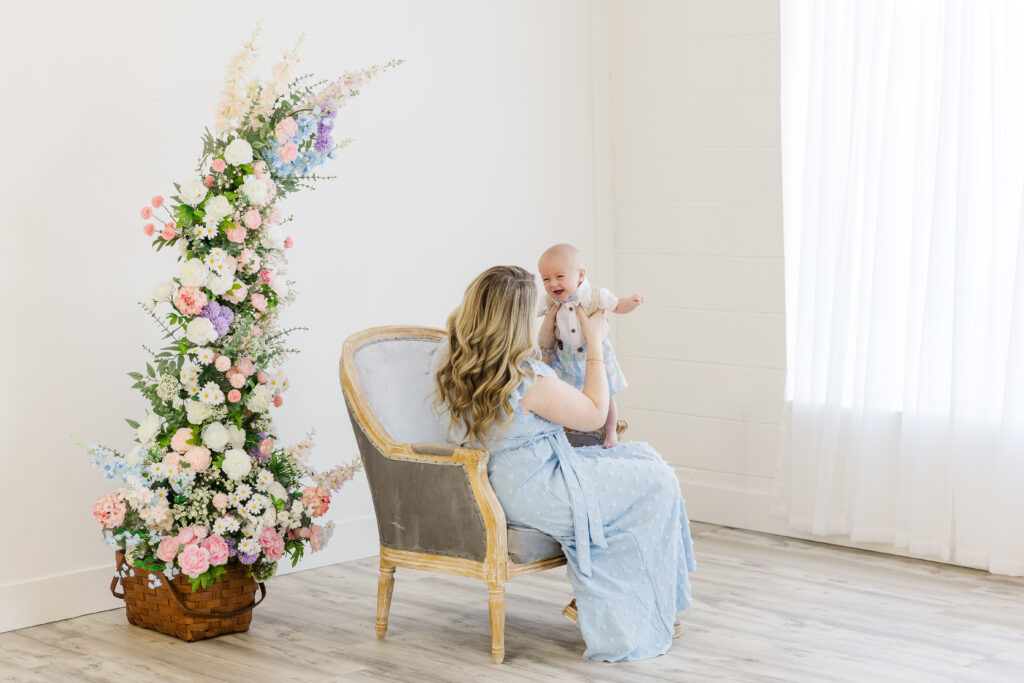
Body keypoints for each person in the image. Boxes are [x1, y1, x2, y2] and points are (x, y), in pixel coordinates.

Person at [433, 265, 695, 662]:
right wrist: (596, 344)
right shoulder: (526, 378)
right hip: (540, 488)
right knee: (658, 480)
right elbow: (593, 414)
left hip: (501, 482)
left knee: (641, 459)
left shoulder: (455, 362)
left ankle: (629, 599)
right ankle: (622, 607)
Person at [537, 243, 644, 448]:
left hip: (593, 354)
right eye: (546, 279)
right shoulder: (548, 301)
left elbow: (618, 305)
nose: (552, 284)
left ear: (580, 275)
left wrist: (632, 302)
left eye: (560, 277)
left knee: (607, 394)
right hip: (564, 356)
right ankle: (561, 431)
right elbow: (528, 311)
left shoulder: (595, 295)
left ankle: (610, 431)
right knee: (560, 393)